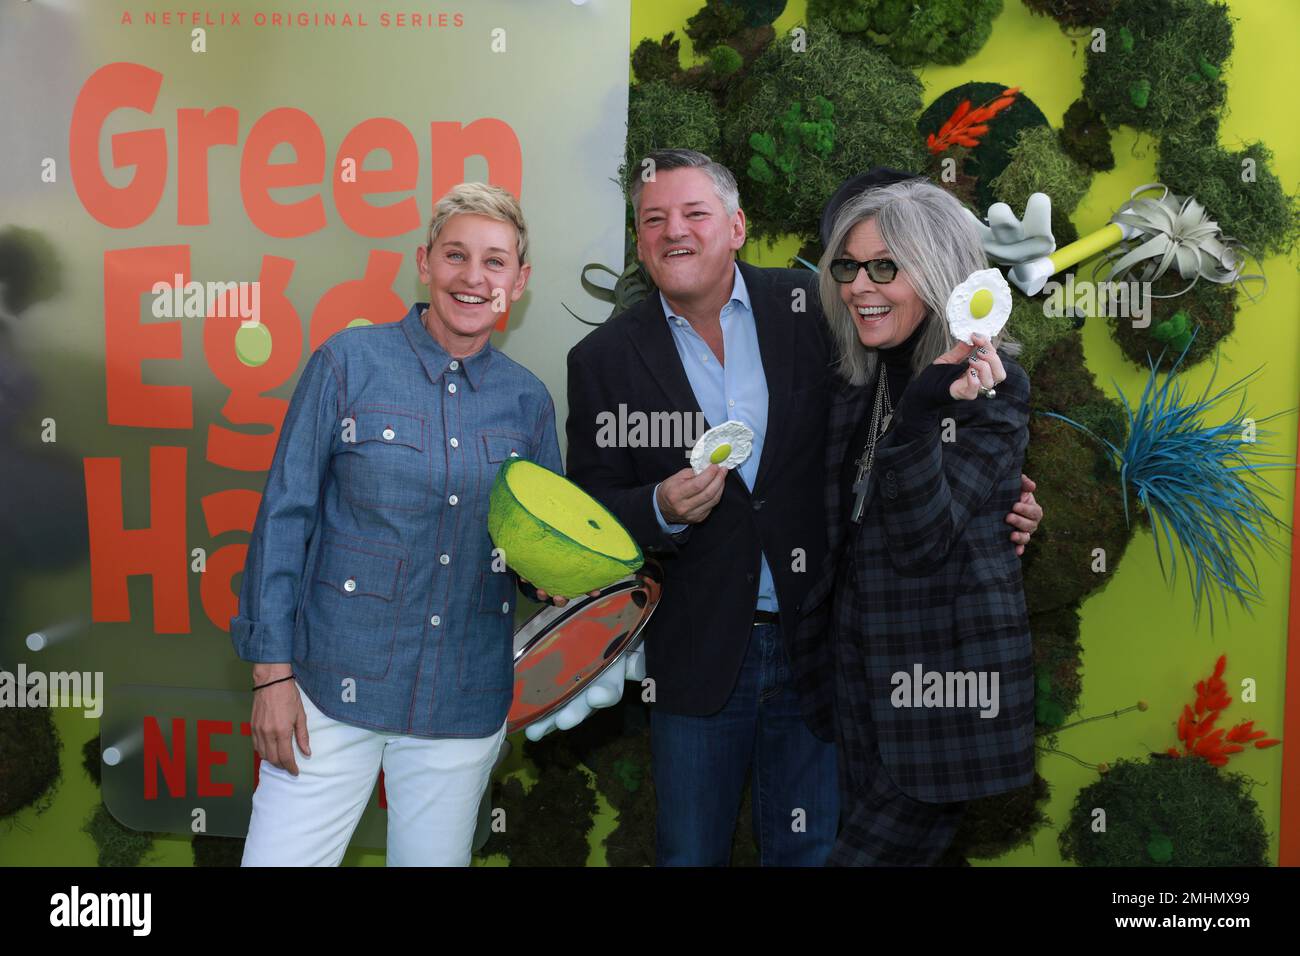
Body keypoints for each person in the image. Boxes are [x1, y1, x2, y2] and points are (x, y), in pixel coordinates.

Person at [561, 150, 1042, 865]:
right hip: (711, 656)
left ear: (736, 226)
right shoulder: (604, 359)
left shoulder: (807, 312)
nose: (674, 232)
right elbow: (591, 513)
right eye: (653, 219)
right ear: (637, 240)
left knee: (813, 850)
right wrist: (658, 507)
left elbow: (933, 477)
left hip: (830, 664)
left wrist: (1003, 501)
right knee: (688, 853)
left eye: (694, 213)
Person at [230, 182, 562, 866]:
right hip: (326, 694)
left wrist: (564, 580)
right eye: (456, 255)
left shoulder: (528, 402)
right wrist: (270, 676)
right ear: (424, 262)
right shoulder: (346, 365)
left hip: (461, 705)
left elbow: (537, 553)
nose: (473, 278)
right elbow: (283, 520)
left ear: (519, 281)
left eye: (495, 262)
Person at [795, 177, 1037, 866]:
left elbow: (924, 539)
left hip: (943, 699)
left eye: (884, 267)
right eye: (847, 267)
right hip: (853, 679)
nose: (858, 286)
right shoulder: (856, 377)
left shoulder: (991, 386)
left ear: (936, 272)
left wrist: (926, 411)